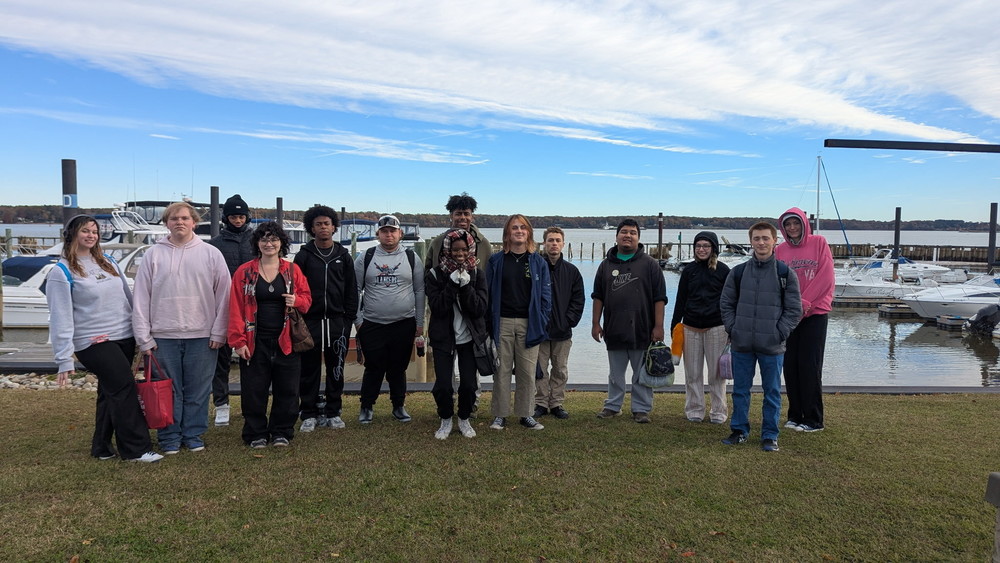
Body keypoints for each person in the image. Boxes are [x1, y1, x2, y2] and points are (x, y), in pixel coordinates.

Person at [46, 215, 163, 463]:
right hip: (93, 341)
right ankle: (136, 450)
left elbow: (127, 297)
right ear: (71, 234)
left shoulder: (108, 261)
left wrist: (141, 330)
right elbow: (60, 317)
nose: (91, 235)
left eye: (94, 231)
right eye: (84, 231)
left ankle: (101, 447)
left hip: (124, 335)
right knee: (123, 388)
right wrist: (64, 357)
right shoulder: (62, 271)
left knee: (109, 391)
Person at [132, 202, 232, 455]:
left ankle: (193, 433)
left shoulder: (210, 253)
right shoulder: (154, 255)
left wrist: (220, 332)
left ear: (194, 222)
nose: (180, 222)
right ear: (166, 222)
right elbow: (141, 297)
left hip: (202, 335)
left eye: (185, 218)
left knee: (198, 389)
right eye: (174, 218)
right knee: (168, 391)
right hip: (163, 336)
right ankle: (169, 436)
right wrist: (144, 337)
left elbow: (225, 295)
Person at [228, 221, 312, 448]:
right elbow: (235, 307)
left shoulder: (292, 270)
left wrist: (297, 300)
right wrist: (237, 341)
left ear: (281, 243)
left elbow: (307, 301)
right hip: (255, 341)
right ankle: (256, 433)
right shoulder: (244, 272)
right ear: (257, 243)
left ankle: (281, 431)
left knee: (288, 389)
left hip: (286, 339)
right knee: (254, 390)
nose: (269, 243)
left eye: (274, 239)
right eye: (264, 239)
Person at [720, 222, 802, 452]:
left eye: (766, 238)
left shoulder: (786, 274)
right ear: (751, 241)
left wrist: (779, 333)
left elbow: (794, 309)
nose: (761, 243)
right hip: (742, 343)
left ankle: (769, 435)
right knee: (740, 390)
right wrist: (734, 329)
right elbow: (726, 304)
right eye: (757, 238)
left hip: (772, 346)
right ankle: (739, 430)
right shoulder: (738, 272)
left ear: (775, 241)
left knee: (772, 392)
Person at [591, 219, 667, 423]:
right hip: (614, 328)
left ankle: (641, 409)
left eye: (632, 232)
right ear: (616, 236)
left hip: (642, 328)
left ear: (638, 237)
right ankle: (613, 406)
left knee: (641, 373)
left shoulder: (650, 265)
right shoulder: (606, 265)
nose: (628, 235)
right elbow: (598, 296)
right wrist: (595, 323)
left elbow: (659, 298)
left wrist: (659, 326)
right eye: (624, 232)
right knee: (615, 374)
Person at [354, 215, 425, 424]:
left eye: (393, 231)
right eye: (384, 231)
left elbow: (420, 290)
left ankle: (398, 406)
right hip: (372, 323)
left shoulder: (411, 258)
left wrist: (419, 322)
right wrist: (358, 321)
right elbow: (355, 290)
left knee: (398, 367)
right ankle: (366, 406)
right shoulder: (366, 257)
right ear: (378, 234)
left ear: (400, 234)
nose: (389, 234)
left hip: (403, 322)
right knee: (374, 366)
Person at [294, 205, 358, 432]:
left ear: (334, 227)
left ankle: (333, 410)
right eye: (318, 224)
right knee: (308, 369)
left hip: (336, 321)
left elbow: (352, 289)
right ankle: (309, 412)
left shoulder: (343, 256)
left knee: (336, 368)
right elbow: (296, 289)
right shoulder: (303, 256)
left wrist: (348, 319)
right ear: (312, 228)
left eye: (327, 223)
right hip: (310, 321)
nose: (323, 227)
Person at [486, 214, 551, 431]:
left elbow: (545, 296)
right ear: (507, 233)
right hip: (502, 322)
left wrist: (541, 319)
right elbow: (487, 293)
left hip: (529, 324)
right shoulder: (496, 261)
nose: (519, 231)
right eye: (514, 228)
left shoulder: (537, 262)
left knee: (527, 372)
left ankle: (526, 414)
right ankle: (499, 415)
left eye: (523, 227)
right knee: (501, 371)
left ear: (529, 232)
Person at [425, 228, 489, 439]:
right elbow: (438, 307)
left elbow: (479, 308)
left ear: (470, 249)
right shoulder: (435, 274)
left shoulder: (478, 274)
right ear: (447, 250)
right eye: (455, 250)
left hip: (469, 338)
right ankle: (445, 419)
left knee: (469, 385)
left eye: (463, 249)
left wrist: (466, 287)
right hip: (444, 337)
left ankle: (463, 418)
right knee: (443, 385)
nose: (459, 254)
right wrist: (452, 284)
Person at [775, 208, 835, 433]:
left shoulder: (819, 243)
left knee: (810, 366)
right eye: (788, 224)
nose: (792, 228)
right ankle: (795, 414)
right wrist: (790, 307)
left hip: (814, 315)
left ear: (804, 224)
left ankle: (813, 419)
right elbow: (778, 281)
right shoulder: (780, 250)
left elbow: (826, 277)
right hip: (790, 317)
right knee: (791, 366)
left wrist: (804, 302)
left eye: (795, 224)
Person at [670, 231, 731, 424]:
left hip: (717, 327)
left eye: (706, 246)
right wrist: (674, 325)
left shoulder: (723, 270)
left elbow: (730, 300)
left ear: (713, 248)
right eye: (698, 246)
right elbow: (681, 299)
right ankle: (695, 409)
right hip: (690, 327)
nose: (702, 249)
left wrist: (731, 326)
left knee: (716, 374)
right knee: (693, 373)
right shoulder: (689, 271)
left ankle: (718, 411)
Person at [207, 193, 254, 427]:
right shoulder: (214, 245)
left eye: (241, 216)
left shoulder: (256, 240)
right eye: (234, 216)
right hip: (224, 306)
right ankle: (222, 404)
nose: (238, 220)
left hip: (253, 307)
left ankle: (251, 404)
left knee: (251, 358)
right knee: (221, 360)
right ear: (226, 218)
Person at [533, 227, 584, 420]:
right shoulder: (536, 268)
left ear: (563, 244)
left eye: (557, 240)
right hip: (540, 330)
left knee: (560, 369)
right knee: (539, 370)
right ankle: (540, 403)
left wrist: (569, 320)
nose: (554, 244)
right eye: (550, 240)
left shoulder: (572, 271)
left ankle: (556, 403)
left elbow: (578, 299)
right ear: (544, 243)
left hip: (563, 330)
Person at [424, 192, 493, 271]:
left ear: (471, 217)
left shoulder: (483, 244)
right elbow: (427, 272)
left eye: (466, 214)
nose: (463, 217)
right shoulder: (437, 243)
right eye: (458, 214)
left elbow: (490, 274)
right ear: (451, 216)